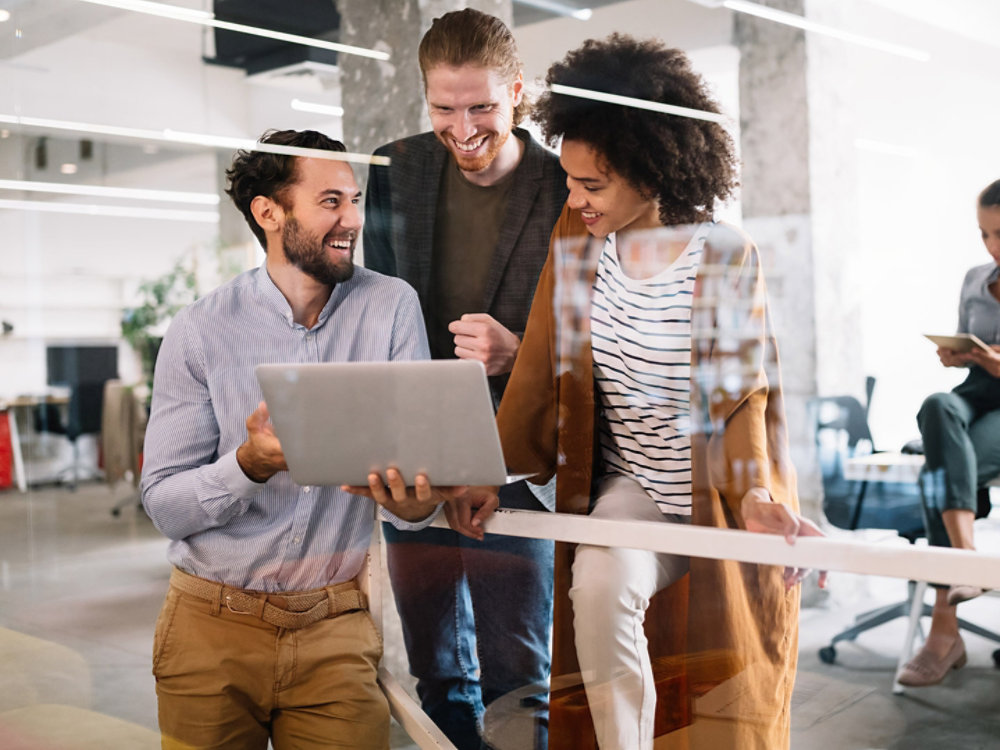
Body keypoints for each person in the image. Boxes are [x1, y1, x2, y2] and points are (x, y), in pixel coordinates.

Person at [452, 36, 824, 750]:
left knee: (730, 673)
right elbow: (543, 361)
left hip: (712, 491)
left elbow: (741, 395)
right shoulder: (579, 238)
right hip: (636, 484)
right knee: (597, 584)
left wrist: (754, 497)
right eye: (570, 181)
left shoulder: (721, 253)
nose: (575, 199)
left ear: (653, 174)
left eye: (594, 186)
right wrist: (490, 468)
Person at [140, 129, 449, 750]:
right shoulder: (201, 330)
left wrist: (415, 500)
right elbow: (165, 506)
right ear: (269, 213)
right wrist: (248, 464)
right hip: (210, 626)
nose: (353, 220)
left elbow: (416, 501)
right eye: (331, 201)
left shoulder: (390, 308)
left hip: (335, 627)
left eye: (355, 200)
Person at [363, 9, 567, 749]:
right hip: (418, 449)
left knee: (520, 673)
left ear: (518, 90)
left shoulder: (560, 184)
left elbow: (597, 326)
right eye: (445, 108)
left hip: (516, 455)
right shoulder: (398, 167)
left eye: (482, 105)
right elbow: (374, 305)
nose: (464, 127)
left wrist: (521, 353)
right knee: (434, 670)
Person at [902, 178, 1000, 687]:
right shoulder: (973, 278)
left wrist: (993, 359)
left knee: (939, 469)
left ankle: (944, 632)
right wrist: (959, 355)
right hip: (977, 392)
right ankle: (965, 559)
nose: (991, 246)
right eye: (984, 234)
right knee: (936, 406)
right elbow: (971, 356)